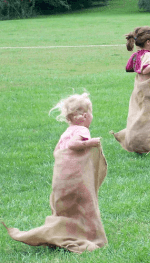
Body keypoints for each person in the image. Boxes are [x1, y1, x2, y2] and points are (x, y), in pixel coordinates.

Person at [2, 93, 108, 253]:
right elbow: (73, 145)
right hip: (74, 179)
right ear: (85, 116)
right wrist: (91, 143)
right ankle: (89, 235)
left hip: (61, 179)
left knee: (64, 207)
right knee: (84, 205)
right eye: (91, 112)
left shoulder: (67, 131)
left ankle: (61, 231)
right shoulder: (82, 130)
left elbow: (58, 151)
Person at [113, 26, 150, 154]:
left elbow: (129, 68)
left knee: (139, 115)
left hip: (139, 89)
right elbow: (145, 69)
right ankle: (140, 144)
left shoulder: (137, 55)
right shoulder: (147, 55)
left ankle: (129, 137)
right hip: (147, 91)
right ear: (148, 42)